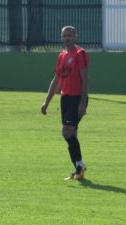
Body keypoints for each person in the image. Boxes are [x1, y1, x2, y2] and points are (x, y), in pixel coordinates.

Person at [41, 25, 90, 181]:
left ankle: (80, 165)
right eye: (65, 35)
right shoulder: (61, 55)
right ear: (61, 37)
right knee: (72, 133)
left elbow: (85, 79)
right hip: (65, 99)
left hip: (77, 98)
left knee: (67, 132)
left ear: (75, 37)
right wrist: (46, 102)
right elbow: (56, 80)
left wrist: (82, 103)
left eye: (70, 35)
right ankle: (78, 170)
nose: (67, 38)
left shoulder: (80, 54)